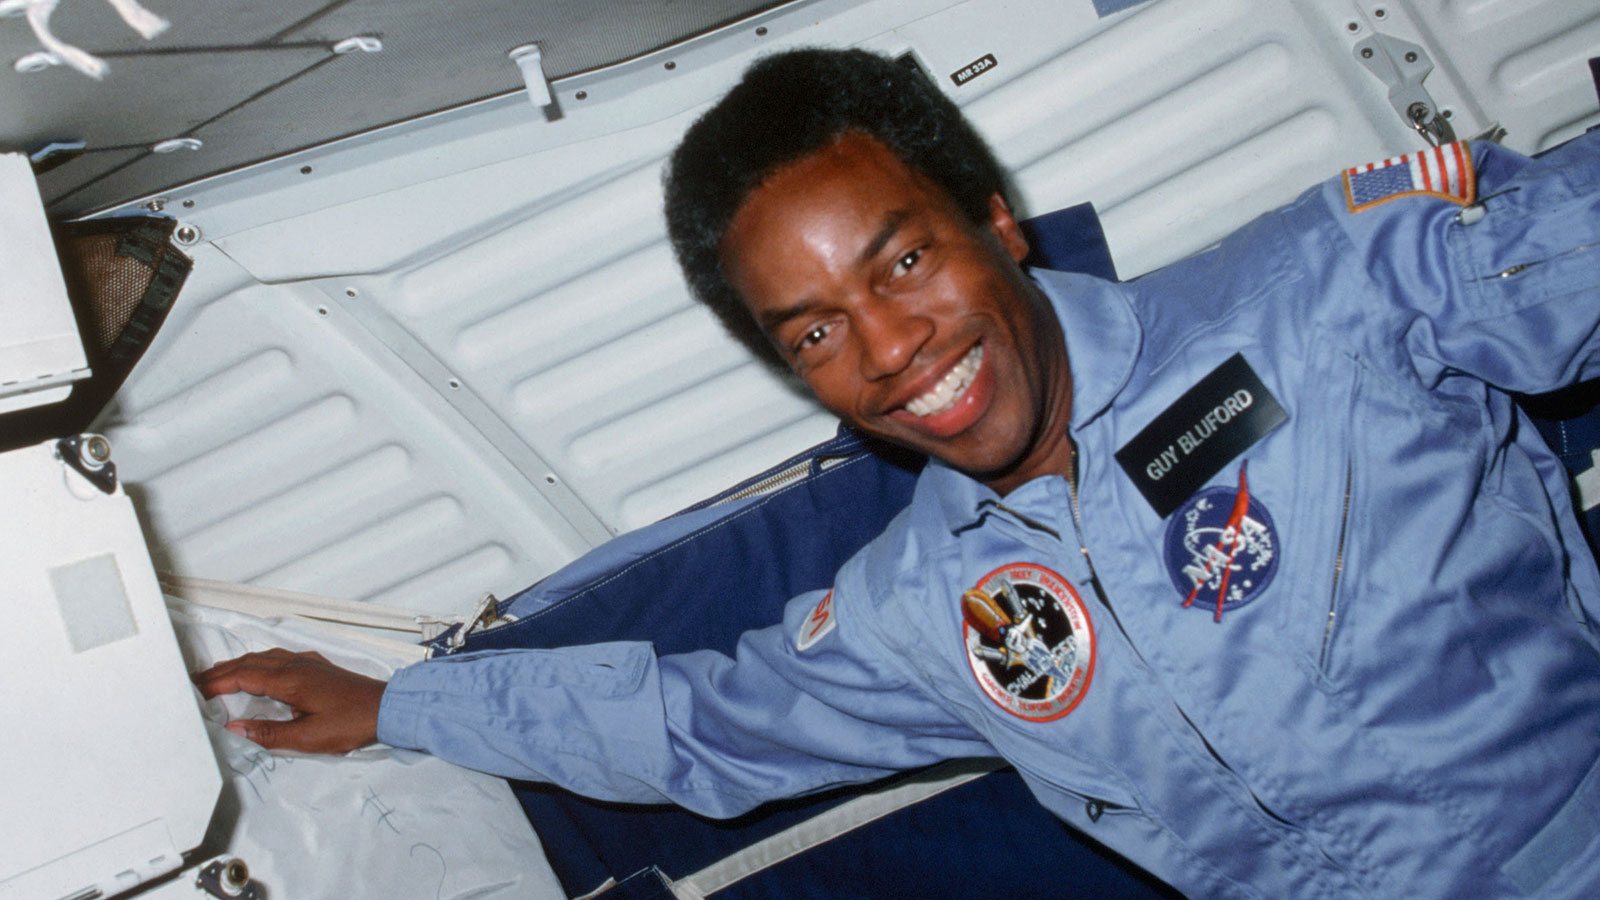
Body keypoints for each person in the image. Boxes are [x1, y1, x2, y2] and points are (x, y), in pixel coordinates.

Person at [195, 48, 1600, 899]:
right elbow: (694, 727)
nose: (889, 349)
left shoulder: (1329, 299)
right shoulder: (924, 608)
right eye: (815, 331)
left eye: (906, 262)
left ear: (999, 223)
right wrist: (404, 702)